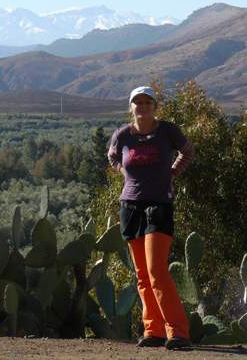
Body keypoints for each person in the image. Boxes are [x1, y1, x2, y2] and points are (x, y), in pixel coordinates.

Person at [107, 86, 194, 350]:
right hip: (130, 207)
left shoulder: (168, 130)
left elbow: (187, 151)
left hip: (159, 205)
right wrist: (125, 175)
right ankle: (153, 330)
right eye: (138, 102)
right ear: (131, 107)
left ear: (154, 106)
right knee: (142, 274)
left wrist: (173, 172)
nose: (142, 106)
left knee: (157, 270)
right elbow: (112, 157)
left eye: (147, 102)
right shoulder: (122, 135)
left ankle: (177, 333)